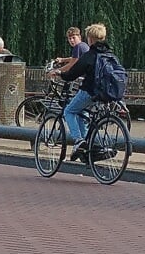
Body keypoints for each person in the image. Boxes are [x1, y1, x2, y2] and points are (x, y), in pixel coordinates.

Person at [50, 22, 117, 155]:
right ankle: (89, 146)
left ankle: (79, 140)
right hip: (106, 93)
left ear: (90, 39)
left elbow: (72, 73)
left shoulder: (90, 55)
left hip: (90, 91)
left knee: (69, 111)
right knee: (83, 114)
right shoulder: (110, 55)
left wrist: (59, 73)